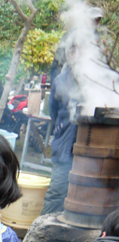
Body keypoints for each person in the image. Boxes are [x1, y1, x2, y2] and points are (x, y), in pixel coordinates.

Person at [41, 63, 79, 215]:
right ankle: (43, 234)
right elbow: (54, 113)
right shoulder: (61, 80)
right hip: (65, 148)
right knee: (56, 194)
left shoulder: (100, 80)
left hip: (92, 156)